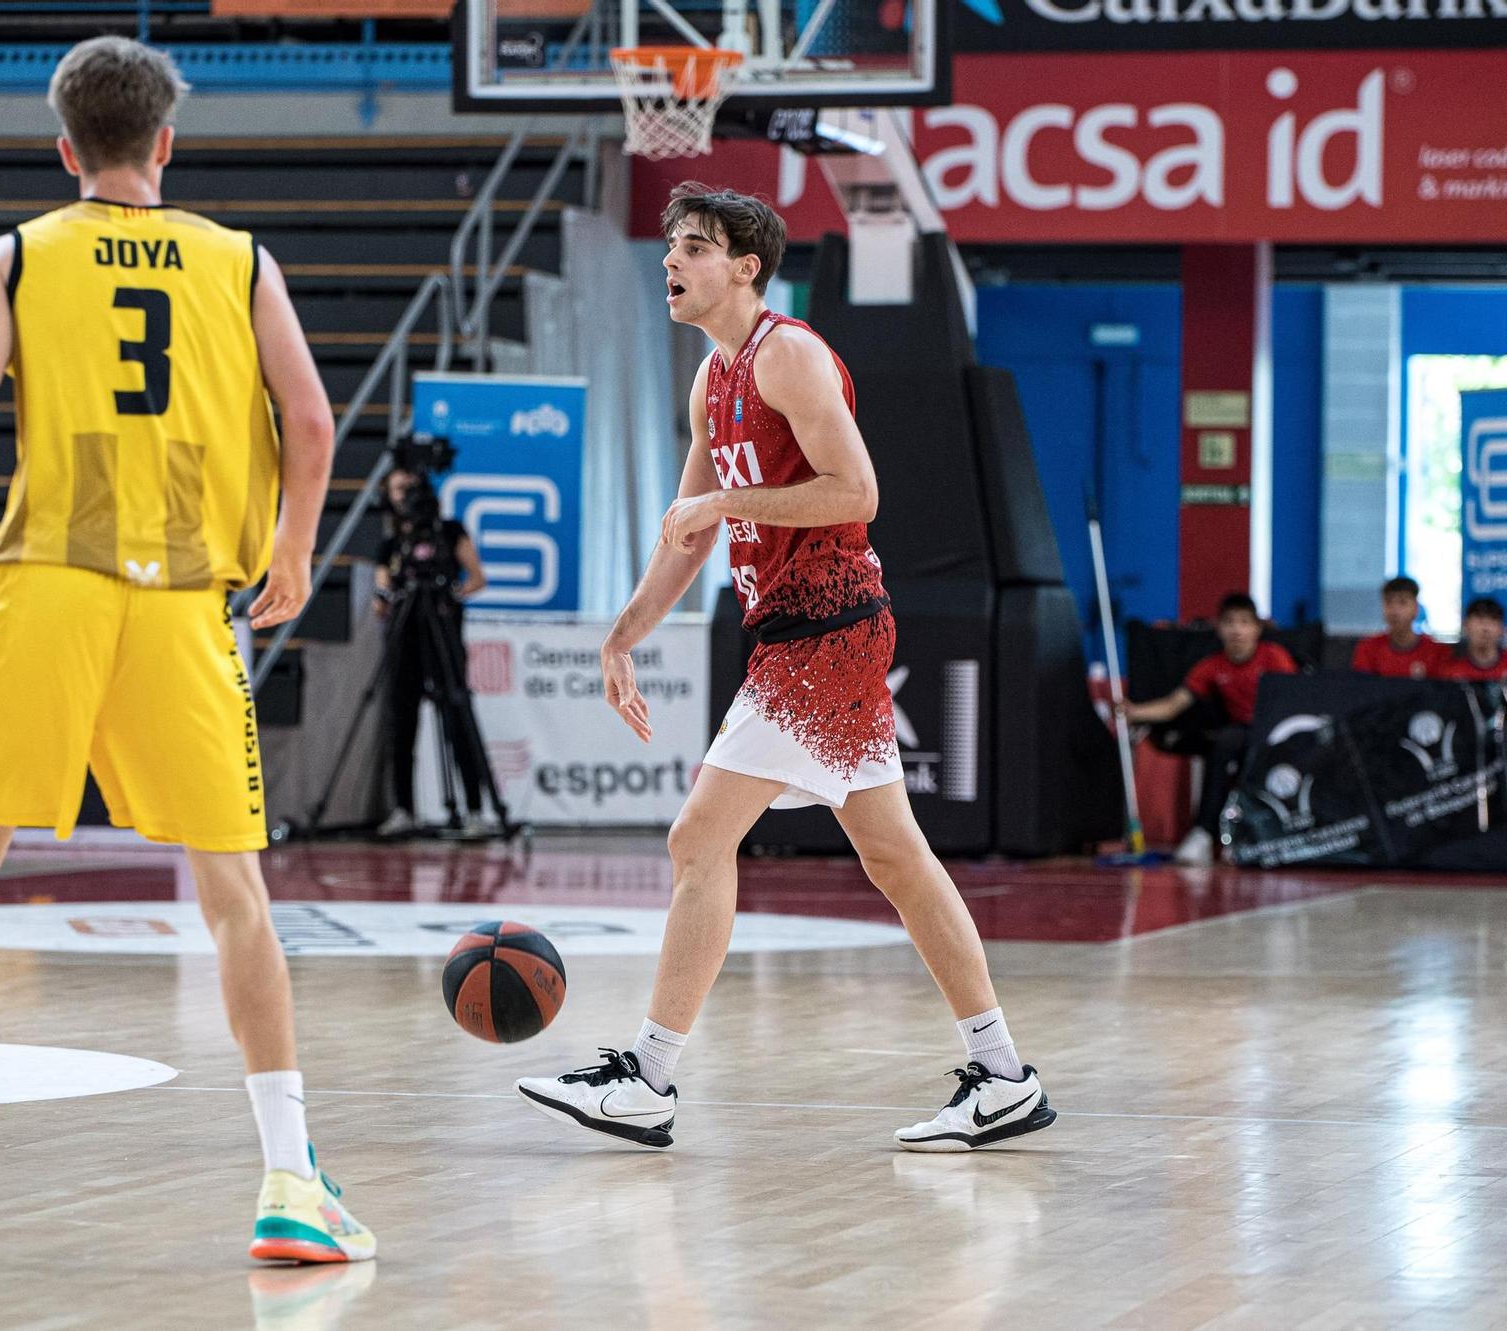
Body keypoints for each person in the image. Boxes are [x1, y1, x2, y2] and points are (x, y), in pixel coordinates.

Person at [0, 37, 374, 1264]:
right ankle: (289, 1181)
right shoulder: (241, 259)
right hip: (181, 605)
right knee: (234, 900)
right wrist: (293, 548)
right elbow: (314, 418)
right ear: (165, 142)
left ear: (65, 149)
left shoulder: (15, 252)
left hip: (48, 587)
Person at [514, 184, 1055, 1154]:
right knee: (894, 856)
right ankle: (1003, 1076)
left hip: (828, 628)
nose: (670, 262)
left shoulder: (788, 353)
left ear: (744, 266)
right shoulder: (708, 378)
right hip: (794, 631)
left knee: (695, 838)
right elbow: (682, 536)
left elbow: (857, 490)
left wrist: (726, 506)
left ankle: (646, 1074)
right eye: (669, 246)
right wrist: (621, 635)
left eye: (690, 247)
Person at [1120, 593, 1297, 866]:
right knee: (1223, 743)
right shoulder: (1211, 666)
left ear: (1257, 628)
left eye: (1244, 622)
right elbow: (1173, 705)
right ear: (1219, 627)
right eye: (1230, 622)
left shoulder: (1275, 658)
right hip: (1239, 734)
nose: (1237, 630)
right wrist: (1133, 712)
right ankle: (1204, 832)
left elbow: (1294, 703)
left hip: (1277, 734)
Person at [372, 466, 490, 838]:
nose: (404, 494)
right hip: (404, 641)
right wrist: (388, 596)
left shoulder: (450, 532)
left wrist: (449, 595)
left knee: (457, 719)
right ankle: (403, 809)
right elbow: (381, 597)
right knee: (401, 725)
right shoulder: (390, 547)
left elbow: (476, 578)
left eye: (409, 486)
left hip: (443, 640)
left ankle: (474, 810)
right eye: (396, 488)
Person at [1352, 575, 1445, 679]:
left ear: (1416, 608)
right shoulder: (1368, 649)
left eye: (1403, 602)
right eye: (1388, 602)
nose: (1394, 611)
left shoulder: (1436, 652)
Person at [1433, 597, 1506, 682]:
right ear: (1465, 625)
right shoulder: (1446, 665)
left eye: (1493, 621)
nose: (1485, 628)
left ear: (1502, 629)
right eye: (1480, 620)